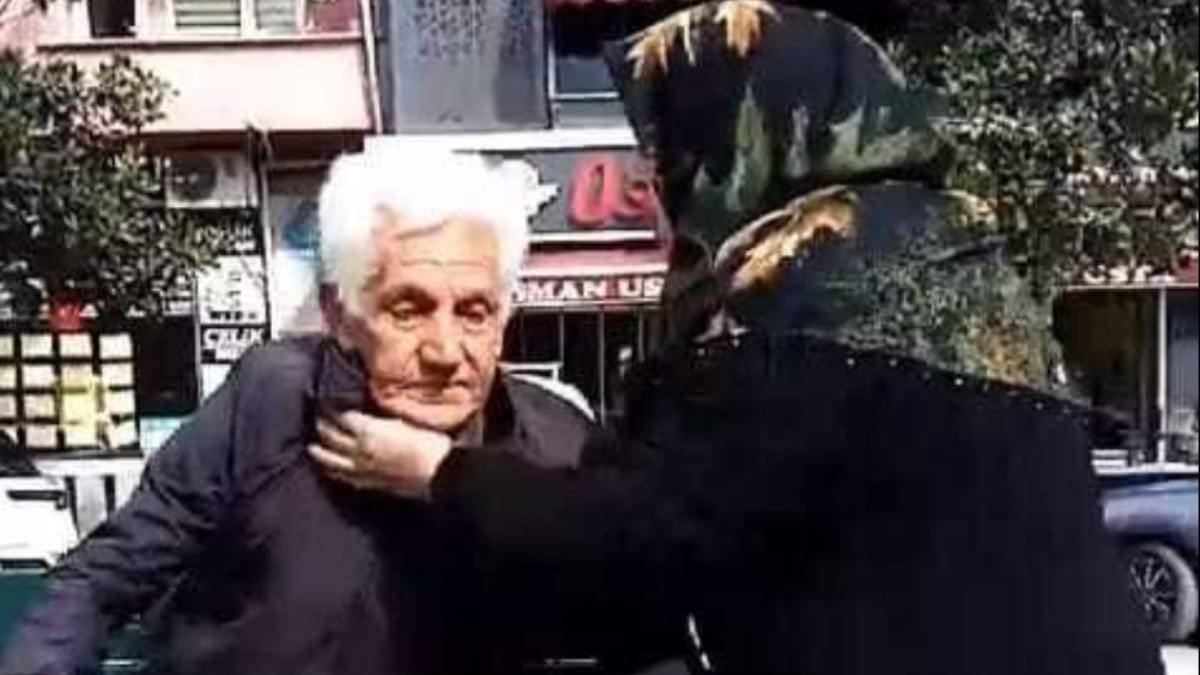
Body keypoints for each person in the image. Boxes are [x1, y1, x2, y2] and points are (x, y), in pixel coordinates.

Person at [309, 4, 1166, 675]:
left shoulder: (800, 300)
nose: (656, 185)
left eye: (669, 151)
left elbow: (643, 537)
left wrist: (440, 473)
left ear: (739, 136)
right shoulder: (958, 260)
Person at [0, 150, 678, 675]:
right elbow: (100, 582)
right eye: (408, 309)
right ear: (339, 313)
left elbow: (648, 628)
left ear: (504, 321)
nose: (446, 351)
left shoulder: (558, 445)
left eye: (474, 312)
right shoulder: (271, 401)